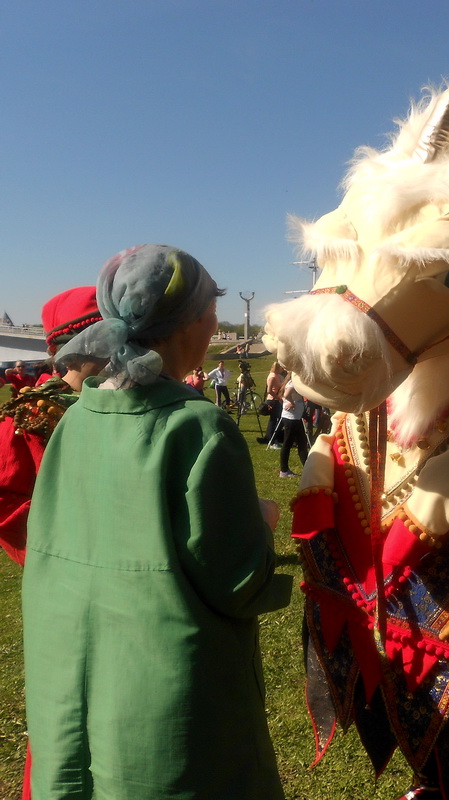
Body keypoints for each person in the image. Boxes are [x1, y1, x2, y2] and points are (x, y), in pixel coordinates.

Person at [22, 245, 291, 799]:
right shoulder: (198, 427)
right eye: (211, 311)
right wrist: (261, 522)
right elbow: (238, 581)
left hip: (70, 678)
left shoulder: (75, 420)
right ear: (189, 325)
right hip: (168, 700)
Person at [0, 286, 103, 567]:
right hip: (72, 566)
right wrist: (60, 544)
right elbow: (4, 499)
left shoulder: (131, 399)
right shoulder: (29, 416)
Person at [278, 374, 308, 477]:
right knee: (287, 444)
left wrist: (288, 401)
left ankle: (308, 468)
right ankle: (284, 470)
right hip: (291, 418)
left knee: (302, 443)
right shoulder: (293, 383)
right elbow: (286, 395)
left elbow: (282, 395)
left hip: (296, 417)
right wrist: (291, 403)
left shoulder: (291, 382)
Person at [257, 361, 283, 448]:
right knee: (274, 420)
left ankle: (269, 438)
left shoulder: (277, 376)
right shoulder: (272, 376)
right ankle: (272, 441)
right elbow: (269, 390)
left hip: (275, 399)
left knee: (274, 420)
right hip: (273, 400)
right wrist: (278, 397)